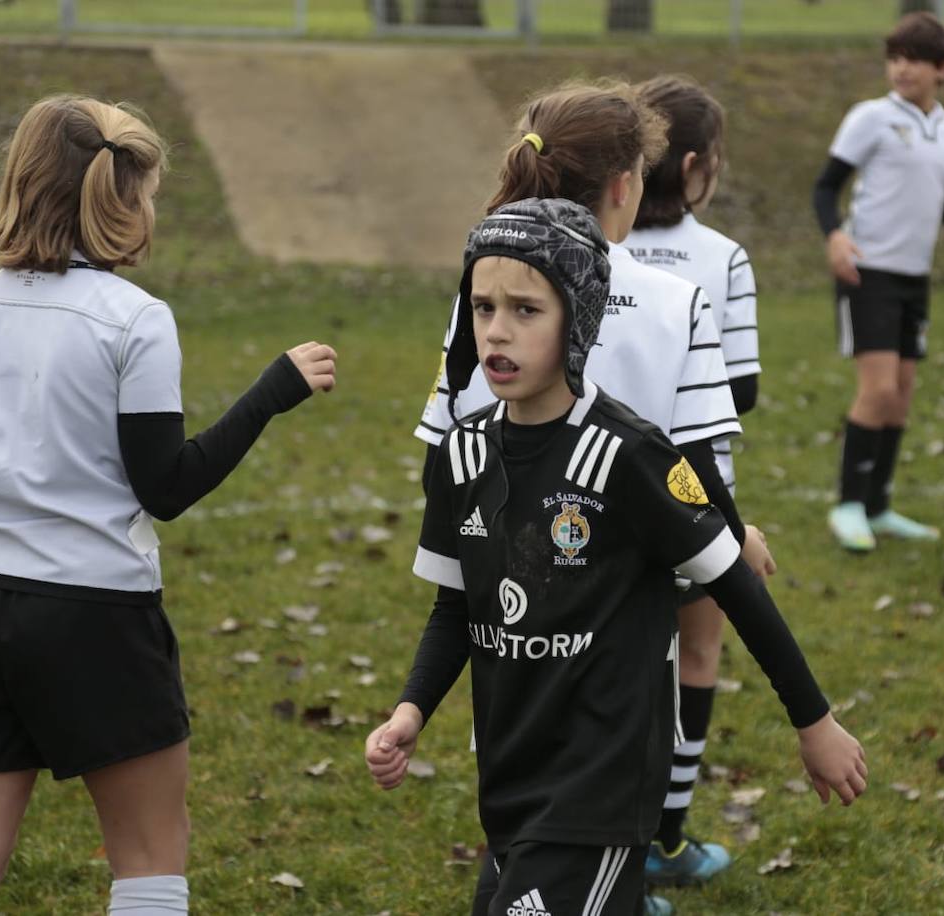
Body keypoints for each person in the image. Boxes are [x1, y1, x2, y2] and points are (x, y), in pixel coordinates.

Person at [365, 198, 867, 916]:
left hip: (601, 783)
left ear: (579, 318)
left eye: (526, 310)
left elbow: (734, 583)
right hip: (512, 774)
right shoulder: (462, 453)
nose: (497, 330)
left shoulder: (632, 456)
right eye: (482, 307)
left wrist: (813, 721)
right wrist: (411, 711)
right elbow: (457, 608)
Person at [0, 95, 337, 916]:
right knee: (149, 858)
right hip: (95, 618)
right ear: (121, 202)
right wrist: (272, 392)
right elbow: (168, 488)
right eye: (148, 194)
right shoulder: (135, 321)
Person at [410, 78, 773, 916]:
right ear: (624, 184)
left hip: (509, 616)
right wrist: (730, 533)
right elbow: (696, 461)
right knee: (609, 767)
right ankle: (631, 862)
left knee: (538, 810)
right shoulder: (673, 300)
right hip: (631, 598)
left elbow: (444, 444)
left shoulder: (484, 287)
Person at [623, 74, 761, 886]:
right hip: (696, 494)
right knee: (696, 656)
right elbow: (740, 389)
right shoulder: (723, 258)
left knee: (605, 664)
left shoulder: (591, 246)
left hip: (594, 485)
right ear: (696, 166)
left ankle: (603, 842)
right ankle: (664, 841)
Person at [812, 11, 944, 552]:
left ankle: (878, 508)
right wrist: (835, 236)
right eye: (895, 58)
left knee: (900, 398)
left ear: (942, 68)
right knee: (876, 391)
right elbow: (825, 187)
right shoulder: (870, 118)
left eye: (915, 60)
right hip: (867, 273)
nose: (901, 69)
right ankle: (848, 506)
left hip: (913, 279)